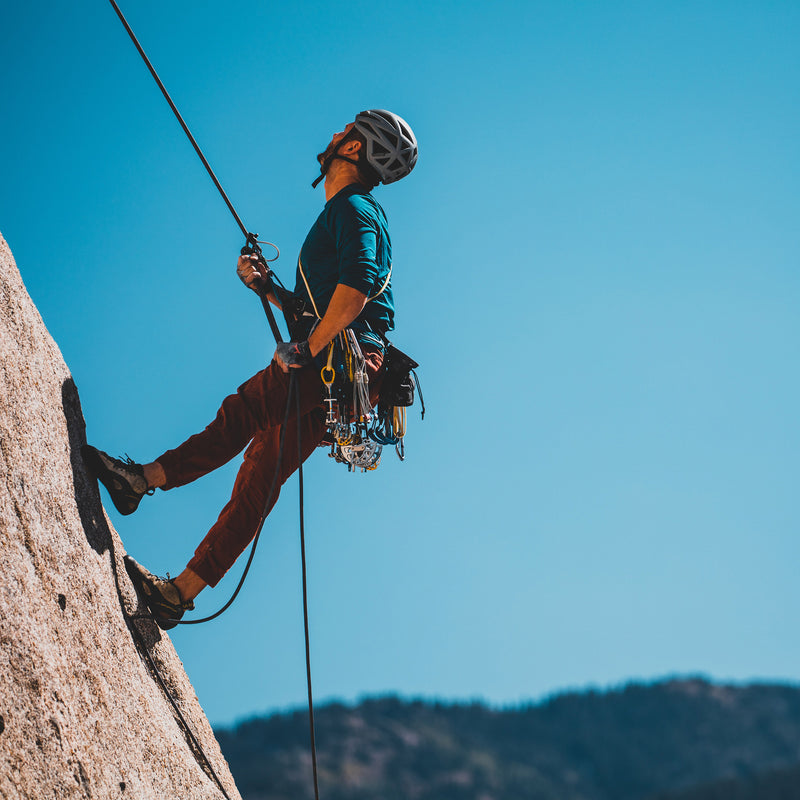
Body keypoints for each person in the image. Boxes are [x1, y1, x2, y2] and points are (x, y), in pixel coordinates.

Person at [82, 109, 418, 629]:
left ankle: (138, 481)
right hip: (354, 378)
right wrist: (268, 289)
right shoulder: (352, 212)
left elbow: (355, 290)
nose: (332, 134)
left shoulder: (353, 209)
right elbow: (331, 302)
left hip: (336, 362)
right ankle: (180, 593)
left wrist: (308, 349)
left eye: (343, 131)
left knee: (240, 415)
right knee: (260, 475)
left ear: (352, 149)